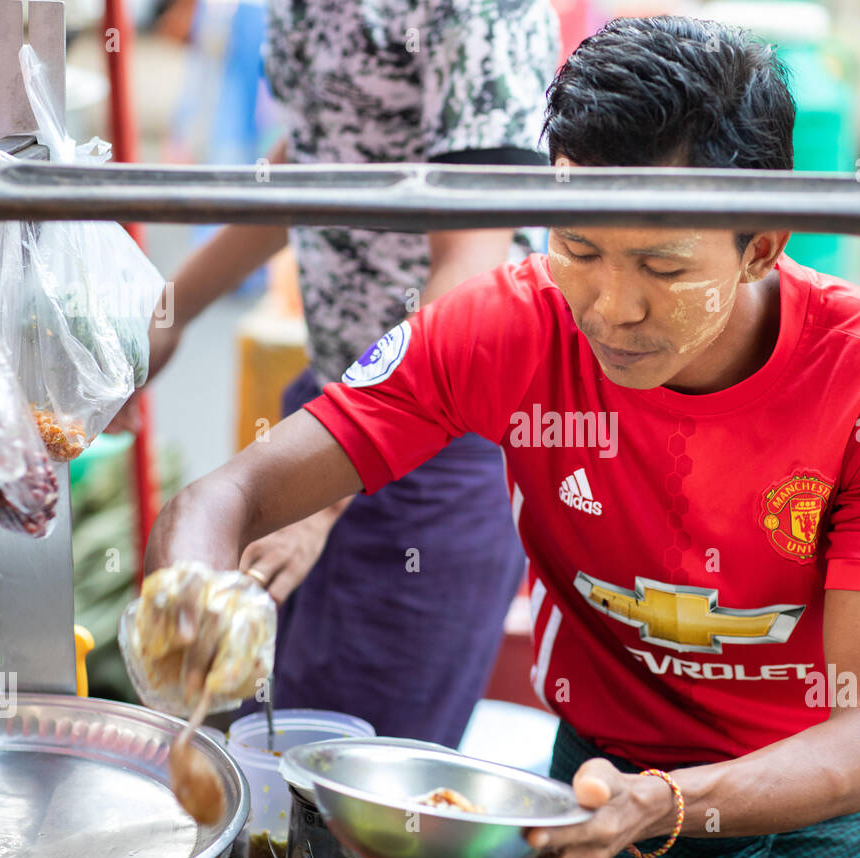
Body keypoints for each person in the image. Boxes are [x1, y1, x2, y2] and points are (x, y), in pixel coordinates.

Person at [145, 15, 860, 858]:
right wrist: (193, 604)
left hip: (828, 807)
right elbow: (225, 497)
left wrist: (666, 804)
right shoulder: (505, 327)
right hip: (594, 795)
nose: (611, 308)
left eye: (663, 268)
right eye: (577, 247)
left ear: (761, 247)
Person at [124, 0, 560, 747]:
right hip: (328, 399)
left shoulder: (483, 12)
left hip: (434, 448)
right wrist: (174, 308)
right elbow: (327, 151)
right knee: (262, 740)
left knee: (350, 796)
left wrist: (322, 499)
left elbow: (471, 258)